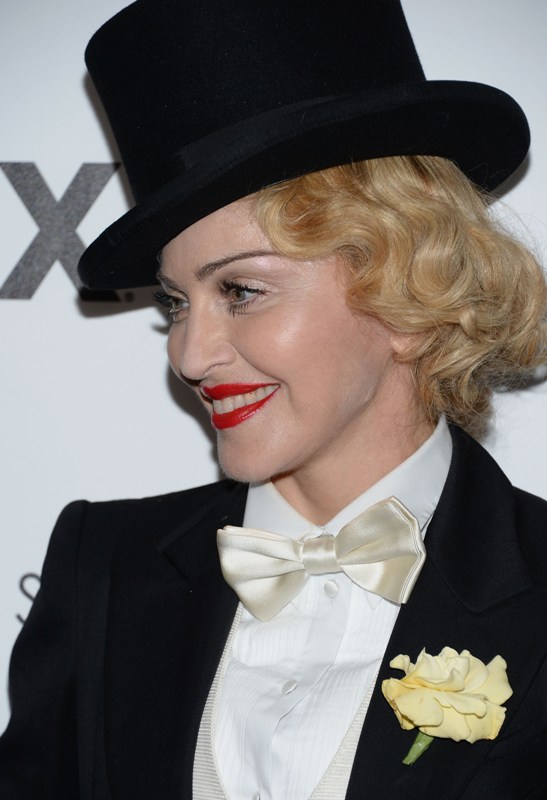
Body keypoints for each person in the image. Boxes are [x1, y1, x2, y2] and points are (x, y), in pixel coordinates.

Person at [1, 1, 546, 798]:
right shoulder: (105, 567)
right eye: (176, 303)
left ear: (407, 293)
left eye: (241, 290)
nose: (189, 355)